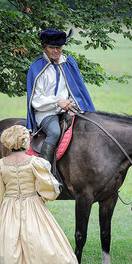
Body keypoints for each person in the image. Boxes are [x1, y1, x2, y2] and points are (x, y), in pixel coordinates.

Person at [0, 125, 82, 264]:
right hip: (32, 204)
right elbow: (49, 188)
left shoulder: (0, 165)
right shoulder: (35, 162)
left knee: (11, 247)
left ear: (8, 143)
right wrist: (44, 196)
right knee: (38, 244)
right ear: (25, 141)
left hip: (9, 207)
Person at [26, 29, 95, 165]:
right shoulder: (37, 67)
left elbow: (76, 90)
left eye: (59, 47)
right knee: (54, 132)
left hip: (68, 109)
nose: (56, 51)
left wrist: (72, 105)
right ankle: (44, 169)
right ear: (44, 47)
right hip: (46, 112)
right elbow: (36, 100)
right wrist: (57, 102)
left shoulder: (68, 63)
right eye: (52, 47)